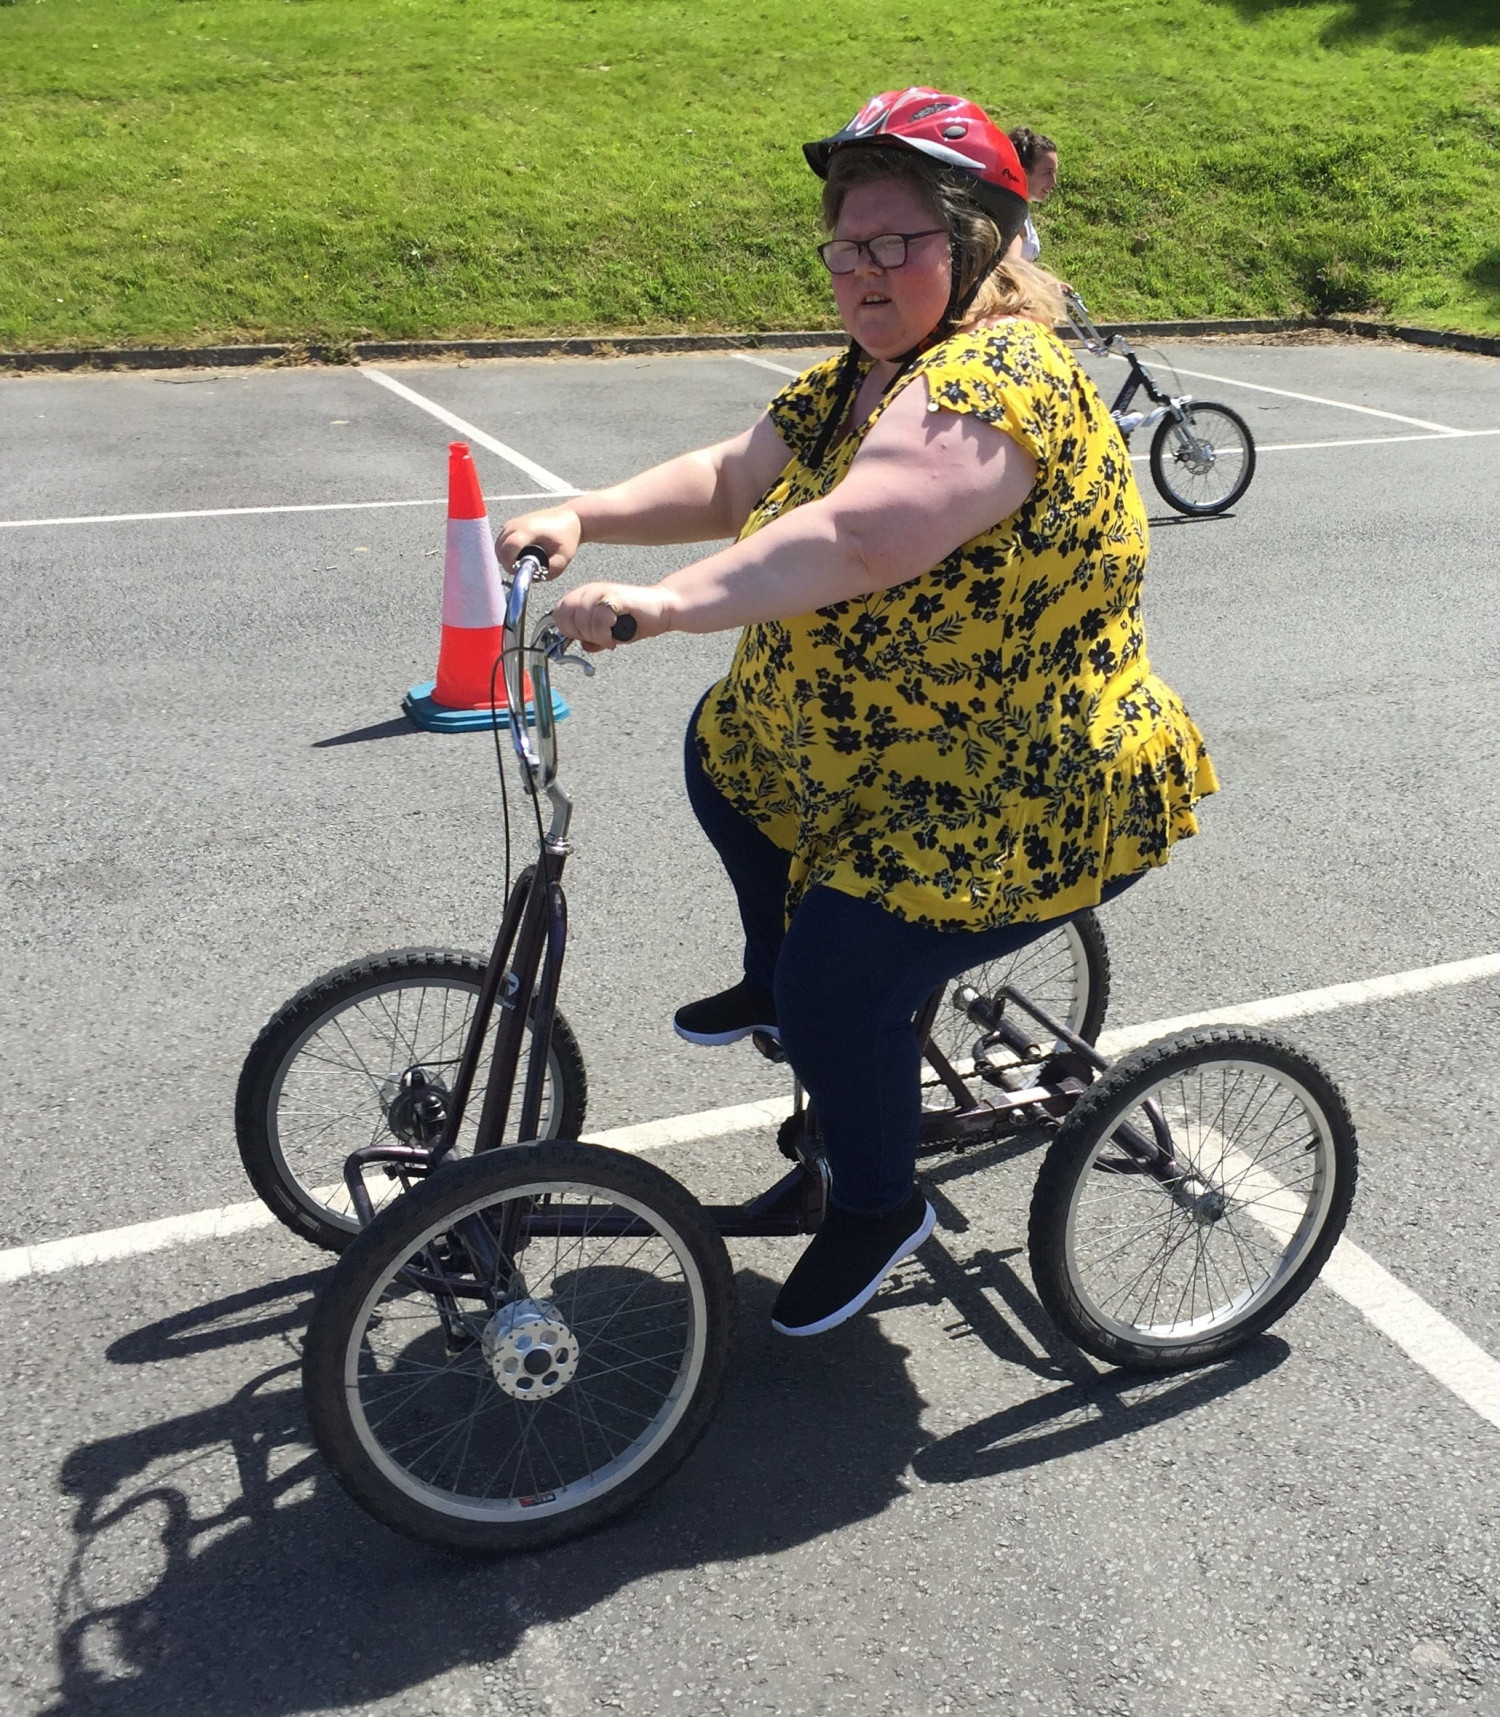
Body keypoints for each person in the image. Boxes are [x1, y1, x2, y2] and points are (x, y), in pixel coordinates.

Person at [499, 86, 1217, 1339]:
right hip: (870, 756)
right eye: (846, 245)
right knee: (723, 757)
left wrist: (662, 606)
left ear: (980, 245)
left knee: (842, 986)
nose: (865, 269)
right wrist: (584, 510)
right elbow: (737, 475)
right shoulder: (858, 378)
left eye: (900, 242)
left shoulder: (1001, 382)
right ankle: (783, 982)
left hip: (1011, 788)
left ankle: (882, 1204)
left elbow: (860, 532)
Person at [1006, 126, 1058, 263]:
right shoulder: (1012, 215)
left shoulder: (1019, 204)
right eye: (1047, 173)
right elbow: (1011, 266)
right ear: (1023, 172)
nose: (1053, 182)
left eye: (1054, 173)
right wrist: (1048, 281)